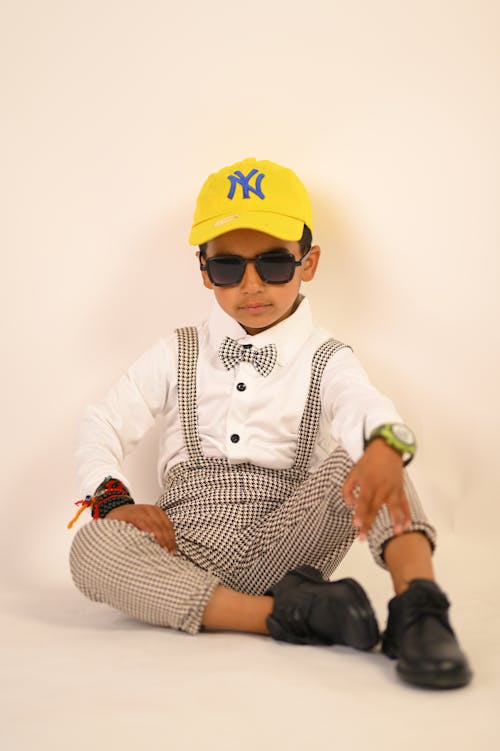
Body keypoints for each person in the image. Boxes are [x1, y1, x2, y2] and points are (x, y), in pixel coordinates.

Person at [69, 157, 471, 689]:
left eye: (274, 264)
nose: (252, 285)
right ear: (204, 270)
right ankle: (289, 614)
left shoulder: (325, 357)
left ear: (309, 262)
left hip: (285, 540)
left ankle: (419, 608)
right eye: (228, 268)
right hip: (182, 550)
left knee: (371, 455)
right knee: (89, 547)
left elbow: (361, 404)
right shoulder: (177, 351)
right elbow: (102, 421)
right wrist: (116, 503)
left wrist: (383, 445)